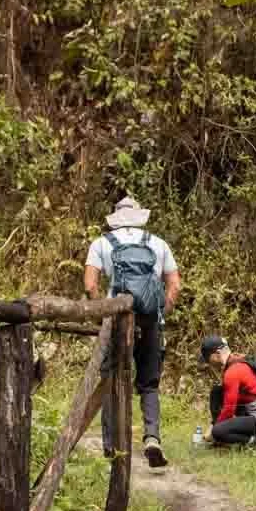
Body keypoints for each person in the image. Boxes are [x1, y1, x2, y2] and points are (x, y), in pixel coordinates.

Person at [85, 196, 180, 469]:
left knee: (110, 378)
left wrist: (99, 313)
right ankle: (151, 437)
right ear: (140, 217)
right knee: (149, 383)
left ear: (115, 219)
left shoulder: (102, 243)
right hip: (150, 320)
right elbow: (174, 284)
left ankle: (111, 445)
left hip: (116, 318)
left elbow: (91, 284)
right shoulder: (158, 243)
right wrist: (161, 311)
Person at [200, 336, 256, 447]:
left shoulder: (232, 372)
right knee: (217, 392)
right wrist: (214, 424)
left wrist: (213, 431)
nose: (208, 363)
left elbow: (229, 410)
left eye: (208, 359)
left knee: (218, 431)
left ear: (217, 354)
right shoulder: (239, 361)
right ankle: (221, 440)